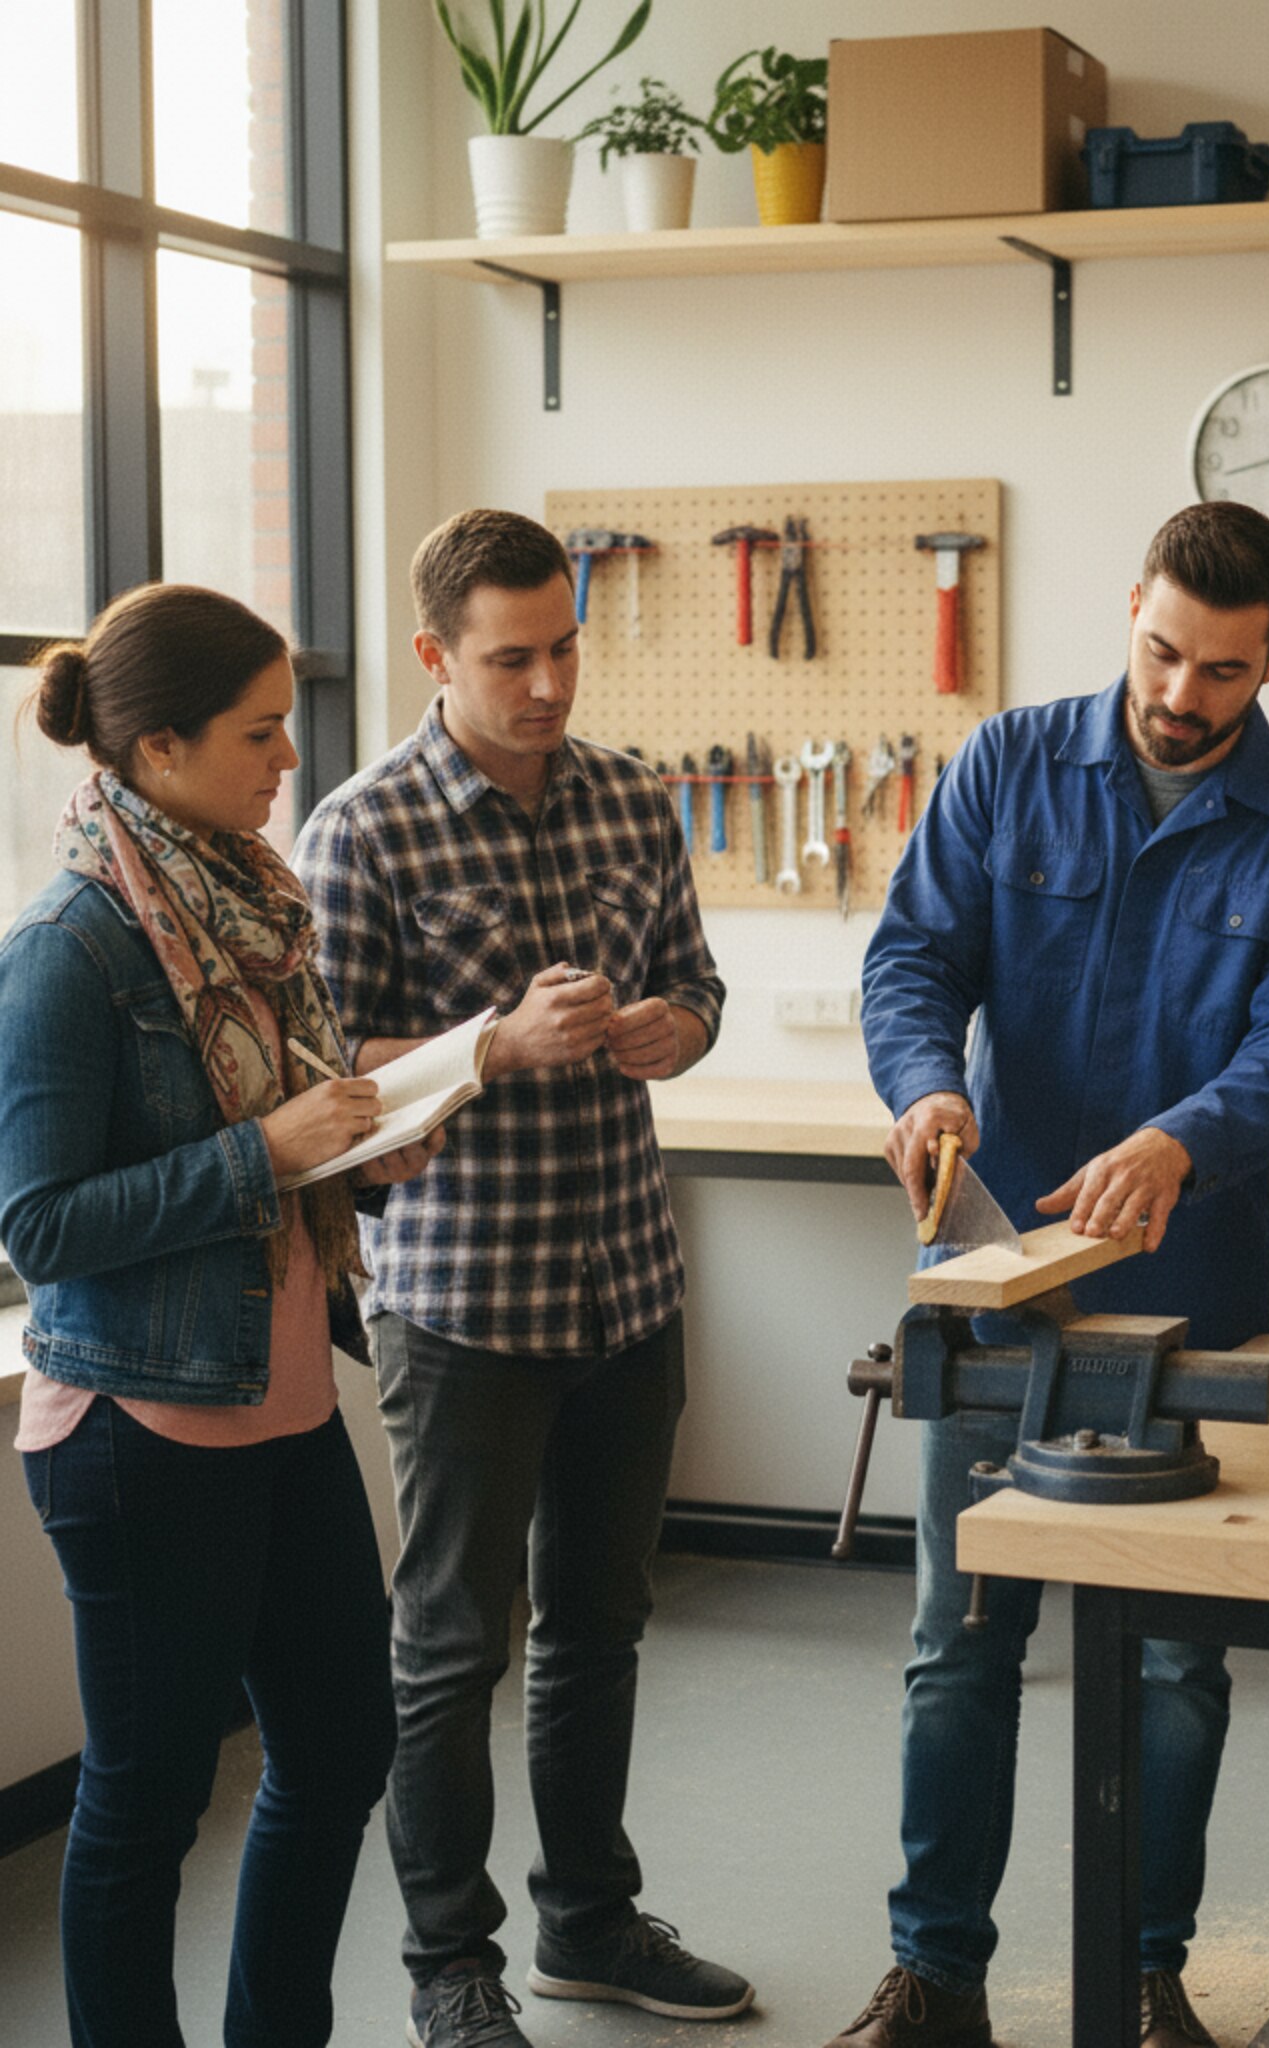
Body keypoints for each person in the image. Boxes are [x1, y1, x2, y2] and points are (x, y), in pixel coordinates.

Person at [840, 501, 1269, 2048]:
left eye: (1222, 669)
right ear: (1129, 605)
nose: (1180, 694)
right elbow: (913, 961)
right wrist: (921, 1087)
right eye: (1161, 651)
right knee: (961, 1641)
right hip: (994, 1275)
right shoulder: (1007, 766)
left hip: (1187, 1298)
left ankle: (1149, 1973)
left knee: (1176, 1665)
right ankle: (937, 1977)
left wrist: (1184, 1138)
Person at [291, 509, 747, 2048]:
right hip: (464, 1306)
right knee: (449, 1647)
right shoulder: (361, 829)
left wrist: (674, 1029)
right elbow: (321, 1076)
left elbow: (697, 983)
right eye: (512, 658)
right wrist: (494, 1045)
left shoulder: (632, 801)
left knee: (601, 1627)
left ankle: (589, 1922)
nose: (549, 682)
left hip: (627, 1283)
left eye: (564, 647)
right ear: (435, 656)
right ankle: (449, 1968)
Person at [0, 584, 441, 2048]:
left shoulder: (251, 897)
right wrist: (279, 1151)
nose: (289, 762)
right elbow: (42, 1224)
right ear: (160, 743)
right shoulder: (71, 944)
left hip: (279, 1400)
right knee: (144, 1805)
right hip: (138, 1428)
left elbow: (286, 1133)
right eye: (260, 734)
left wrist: (363, 1157)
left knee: (337, 1747)